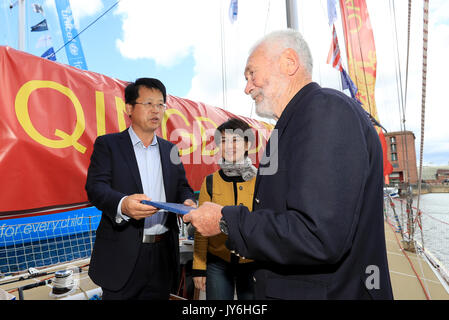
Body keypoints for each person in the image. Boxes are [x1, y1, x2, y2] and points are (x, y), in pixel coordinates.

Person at [184, 29, 394, 300]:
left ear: (289, 62)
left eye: (251, 74)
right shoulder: (293, 126)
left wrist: (226, 221)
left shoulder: (325, 111)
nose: (247, 87)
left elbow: (317, 235)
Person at [85, 77, 196, 300]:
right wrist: (123, 204)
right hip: (122, 255)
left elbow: (182, 187)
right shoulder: (108, 145)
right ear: (129, 108)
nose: (155, 110)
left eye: (160, 104)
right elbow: (96, 187)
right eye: (148, 104)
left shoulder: (170, 150)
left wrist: (188, 201)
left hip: (163, 254)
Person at [192, 118, 257, 300]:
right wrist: (199, 267)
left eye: (235, 140)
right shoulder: (210, 181)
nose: (229, 146)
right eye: (223, 141)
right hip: (218, 263)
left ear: (247, 144)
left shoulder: (261, 181)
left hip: (254, 262)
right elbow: (200, 227)